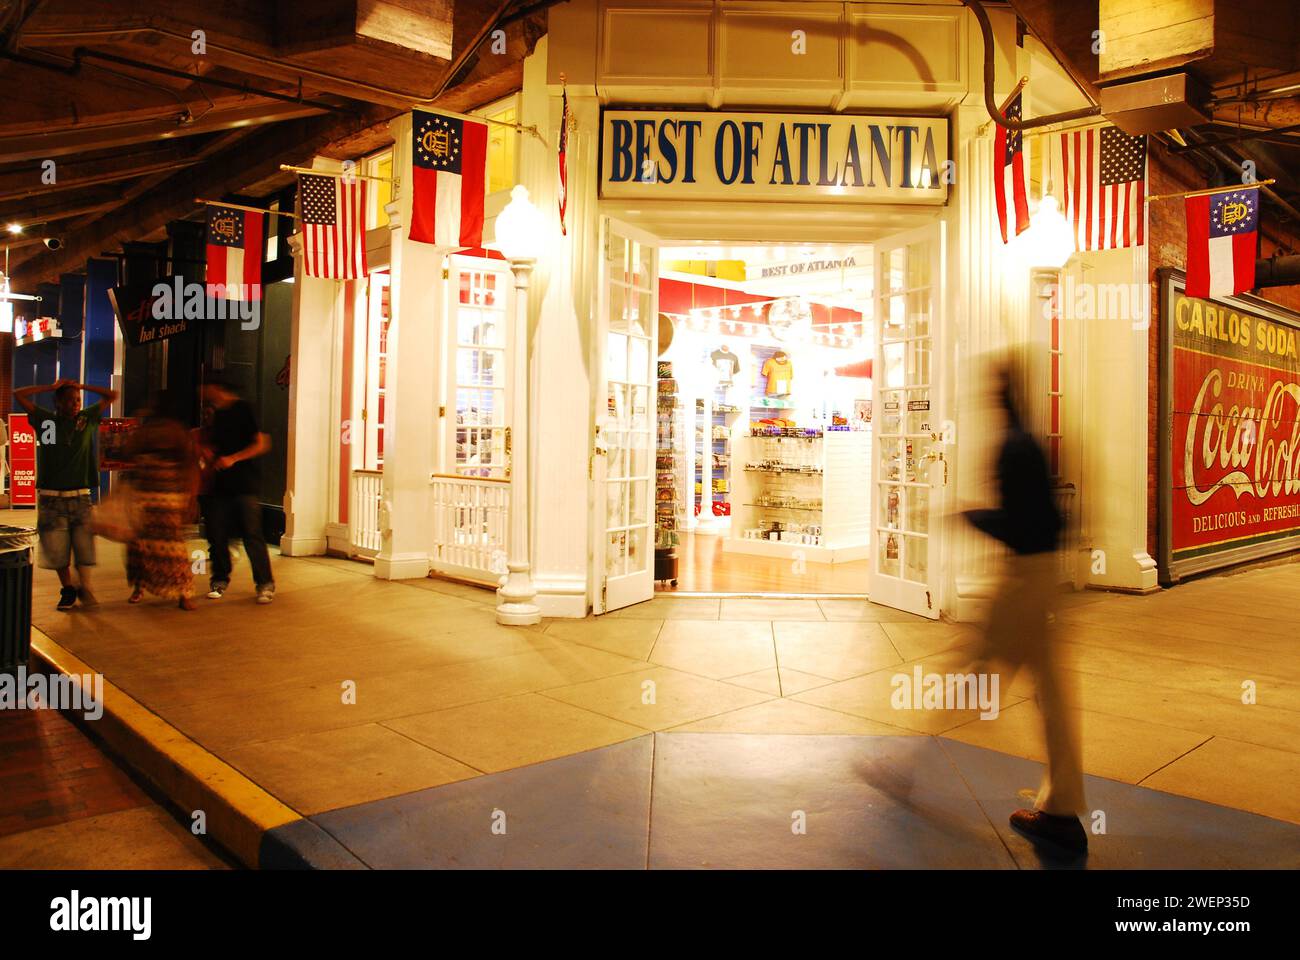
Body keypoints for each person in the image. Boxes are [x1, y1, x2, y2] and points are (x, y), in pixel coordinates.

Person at [963, 360, 1086, 859]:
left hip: (1023, 580)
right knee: (1051, 696)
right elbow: (1053, 519)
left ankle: (910, 762)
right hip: (1043, 578)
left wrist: (970, 515)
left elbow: (1021, 522)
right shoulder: (1032, 442)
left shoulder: (1013, 446)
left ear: (1002, 392)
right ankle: (1061, 811)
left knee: (974, 670)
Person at [14, 378, 120, 611]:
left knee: (84, 546)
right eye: (69, 400)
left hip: (81, 496)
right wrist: (49, 387)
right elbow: (18, 394)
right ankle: (68, 589)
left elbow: (112, 395)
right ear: (58, 403)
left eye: (78, 400)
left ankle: (85, 585)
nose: (75, 404)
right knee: (57, 547)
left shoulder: (86, 419)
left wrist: (82, 387)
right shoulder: (46, 421)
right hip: (51, 497)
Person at [199, 379, 274, 603]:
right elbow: (215, 446)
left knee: (252, 535)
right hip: (220, 485)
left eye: (207, 388)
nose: (204, 394)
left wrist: (233, 458)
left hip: (245, 484)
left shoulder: (243, 409)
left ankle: (264, 584)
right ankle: (219, 581)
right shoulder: (216, 415)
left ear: (218, 387)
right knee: (217, 535)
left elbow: (262, 443)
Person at [124, 393, 198, 610]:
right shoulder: (173, 431)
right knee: (163, 545)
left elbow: (128, 451)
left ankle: (171, 591)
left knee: (151, 545)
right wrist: (190, 496)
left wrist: (190, 496)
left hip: (159, 495)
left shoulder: (167, 431)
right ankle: (182, 594)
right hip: (157, 495)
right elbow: (190, 465)